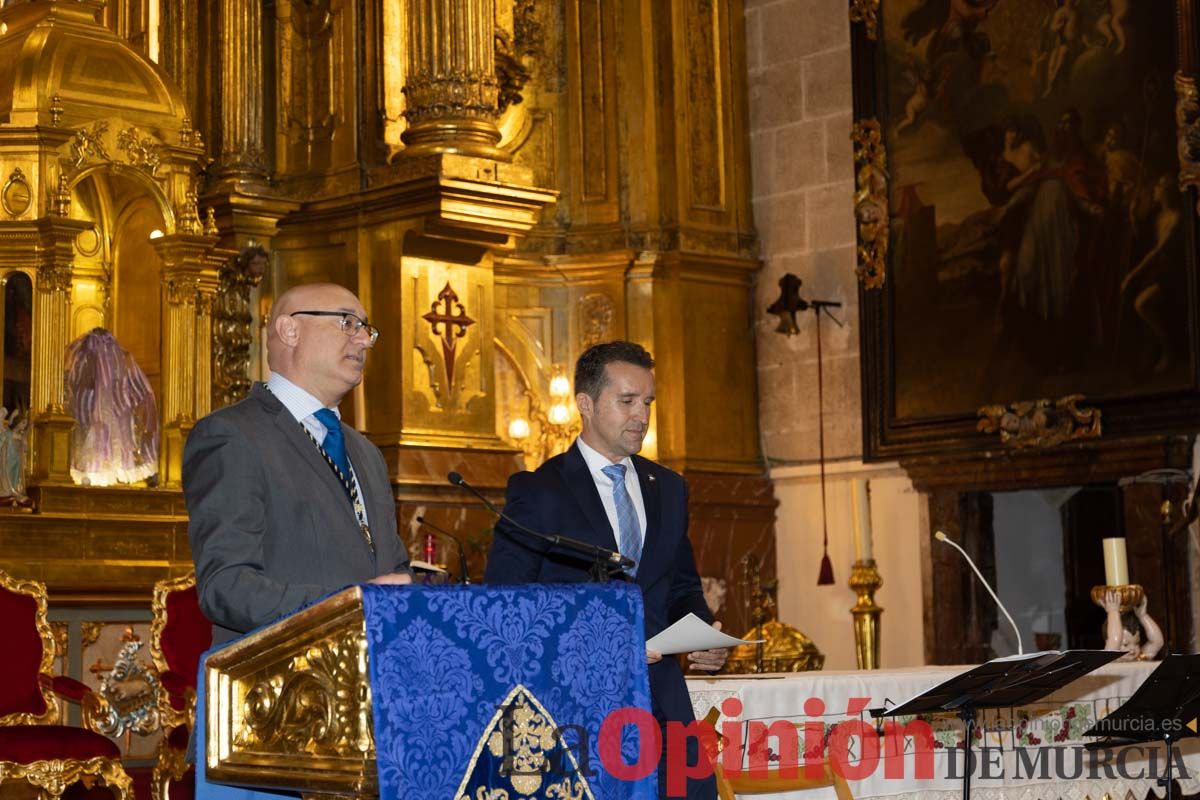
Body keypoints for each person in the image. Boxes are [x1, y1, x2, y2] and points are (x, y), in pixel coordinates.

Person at [485, 341, 727, 799]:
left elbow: (681, 587)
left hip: (663, 704)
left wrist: (704, 637)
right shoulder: (540, 491)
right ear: (586, 404)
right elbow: (506, 606)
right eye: (628, 401)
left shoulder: (669, 489)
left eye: (648, 402)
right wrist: (607, 647)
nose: (642, 415)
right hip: (575, 708)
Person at [184, 283, 411, 643]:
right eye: (348, 323)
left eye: (367, 329)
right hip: (282, 682)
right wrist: (349, 606)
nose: (364, 341)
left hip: (373, 677)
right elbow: (226, 586)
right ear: (290, 330)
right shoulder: (232, 435)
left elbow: (391, 567)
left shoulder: (366, 452)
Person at [1099, 589, 1163, 661]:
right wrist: (1113, 612)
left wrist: (1143, 616)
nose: (1132, 649)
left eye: (1136, 643)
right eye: (1125, 644)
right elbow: (1114, 641)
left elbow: (1157, 642)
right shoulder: (1108, 660)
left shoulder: (1139, 658)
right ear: (1107, 642)